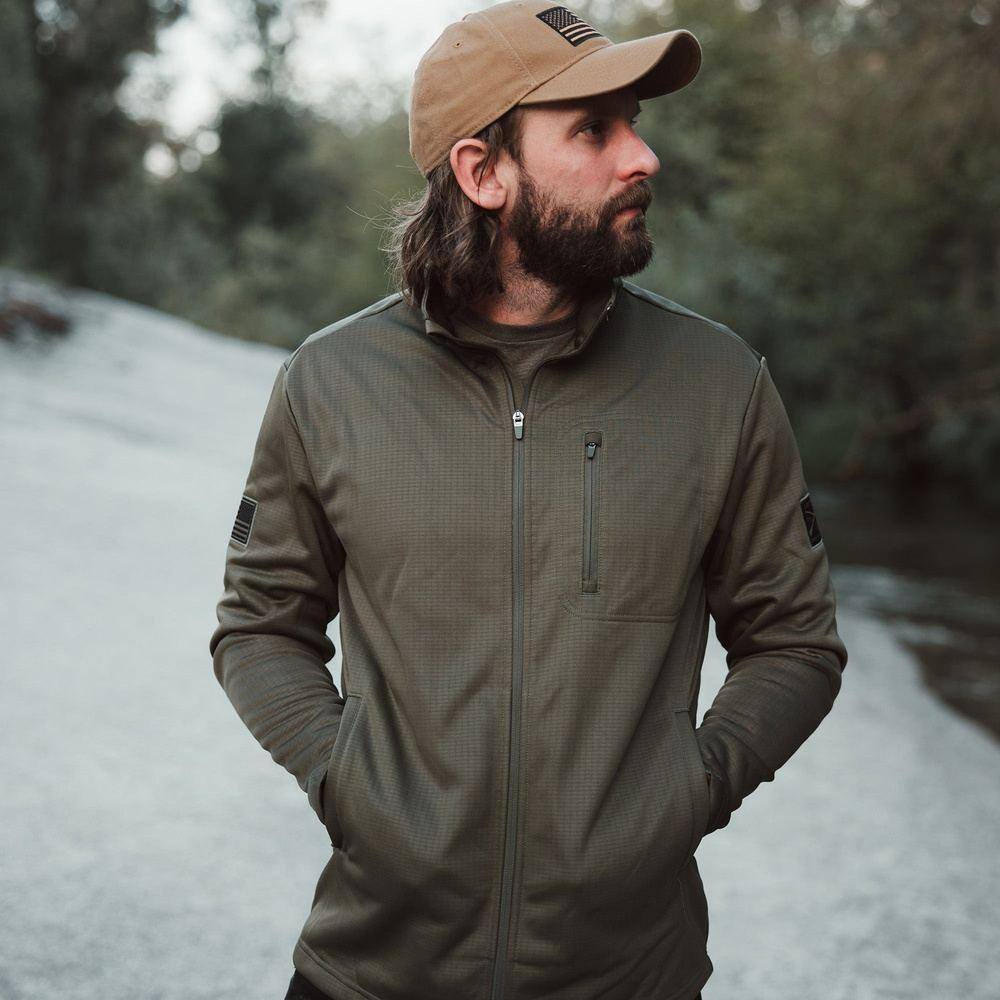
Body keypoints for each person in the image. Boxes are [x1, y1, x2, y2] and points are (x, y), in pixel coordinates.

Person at [209, 3, 849, 999]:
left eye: (634, 123)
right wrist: (349, 783)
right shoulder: (328, 384)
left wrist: (686, 794)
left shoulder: (718, 384)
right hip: (371, 971)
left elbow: (796, 642)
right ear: (482, 172)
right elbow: (258, 624)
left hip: (629, 977)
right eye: (593, 129)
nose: (642, 157)